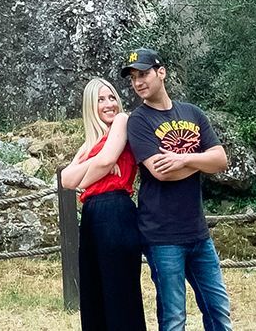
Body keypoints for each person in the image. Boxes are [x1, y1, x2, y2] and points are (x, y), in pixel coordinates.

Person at [122, 48, 233, 331]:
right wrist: (203, 159)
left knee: (218, 309)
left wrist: (183, 158)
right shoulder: (138, 121)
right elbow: (161, 172)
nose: (138, 82)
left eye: (144, 74)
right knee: (174, 318)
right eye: (133, 78)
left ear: (162, 72)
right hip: (161, 236)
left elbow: (221, 160)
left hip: (197, 231)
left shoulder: (192, 113)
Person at [59, 77, 147, 331]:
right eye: (101, 99)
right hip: (92, 214)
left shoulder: (123, 120)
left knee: (120, 294)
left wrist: (87, 178)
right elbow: (66, 179)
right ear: (90, 106)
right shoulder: (90, 144)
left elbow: (107, 160)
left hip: (115, 210)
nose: (109, 104)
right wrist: (95, 169)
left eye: (112, 98)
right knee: (94, 292)